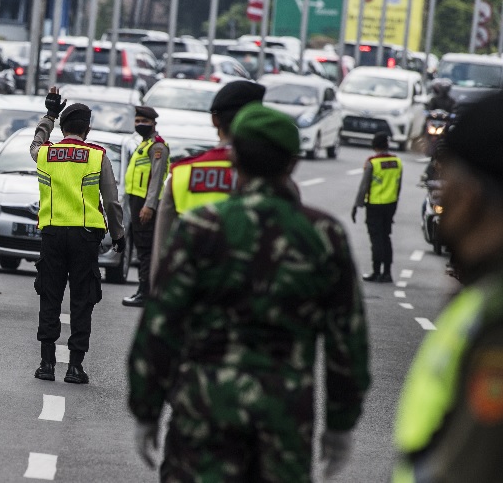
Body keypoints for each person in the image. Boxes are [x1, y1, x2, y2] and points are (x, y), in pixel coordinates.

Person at [128, 102, 370, 481]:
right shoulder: (323, 236)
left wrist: (146, 409)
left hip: (203, 417)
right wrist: (340, 424)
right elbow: (347, 340)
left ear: (235, 158)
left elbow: (160, 325)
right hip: (284, 422)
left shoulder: (200, 228)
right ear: (293, 163)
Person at [393, 91, 503, 481]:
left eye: (447, 178)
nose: (441, 190)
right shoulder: (482, 294)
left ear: (470, 194)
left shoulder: (494, 319)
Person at [30, 86, 126, 384]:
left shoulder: (45, 153)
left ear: (63, 126)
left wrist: (49, 114)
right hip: (86, 238)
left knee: (50, 295)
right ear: (87, 128)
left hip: (53, 234)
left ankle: (46, 364)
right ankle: (74, 367)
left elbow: (35, 142)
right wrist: (118, 233)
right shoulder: (98, 156)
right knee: (82, 300)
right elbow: (111, 200)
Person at [148, 79, 266, 291]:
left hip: (193, 295)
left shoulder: (183, 173)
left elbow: (162, 255)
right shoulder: (270, 176)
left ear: (215, 120)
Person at [122, 105, 170, 307]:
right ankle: (144, 291)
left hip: (145, 204)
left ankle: (145, 292)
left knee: (146, 250)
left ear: (154, 123)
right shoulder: (144, 144)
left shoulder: (157, 147)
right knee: (141, 248)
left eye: (145, 122)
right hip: (136, 201)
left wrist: (149, 206)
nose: (140, 124)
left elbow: (157, 179)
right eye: (137, 121)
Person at [351, 132, 403, 283]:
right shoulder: (397, 162)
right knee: (386, 237)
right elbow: (398, 185)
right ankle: (387, 273)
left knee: (376, 239)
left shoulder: (372, 162)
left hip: (374, 205)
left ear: (374, 145)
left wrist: (356, 205)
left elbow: (364, 187)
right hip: (391, 204)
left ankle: (376, 271)